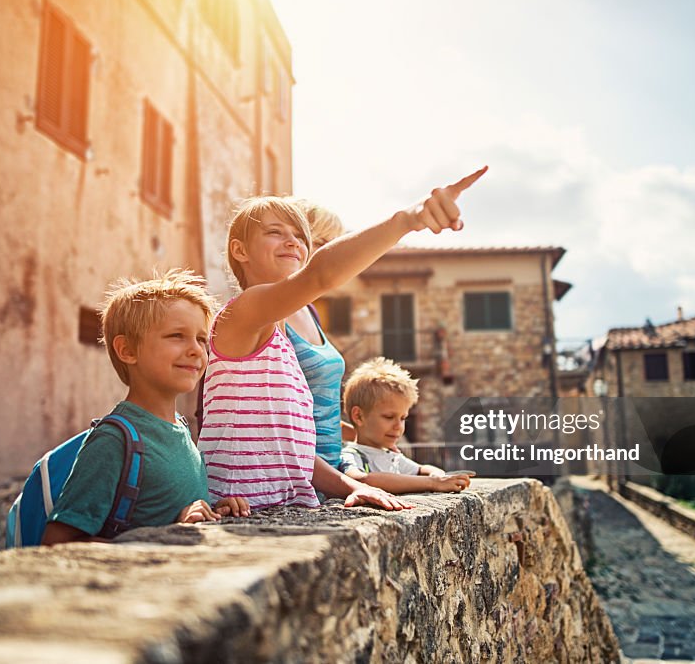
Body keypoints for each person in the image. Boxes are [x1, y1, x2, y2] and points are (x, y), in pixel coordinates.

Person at [198, 167, 486, 509]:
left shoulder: (280, 339)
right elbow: (321, 275)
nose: (293, 241)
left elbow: (295, 442)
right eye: (276, 232)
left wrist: (348, 483)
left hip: (294, 498)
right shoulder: (243, 310)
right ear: (240, 250)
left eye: (300, 236)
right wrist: (407, 219)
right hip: (244, 505)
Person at [42, 270, 249, 545]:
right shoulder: (114, 440)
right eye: (177, 335)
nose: (196, 350)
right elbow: (57, 543)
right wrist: (167, 534)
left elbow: (162, 509)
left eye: (201, 339)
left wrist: (215, 508)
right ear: (127, 350)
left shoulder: (181, 429)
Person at [284, 202, 353, 471]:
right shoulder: (268, 311)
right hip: (300, 476)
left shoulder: (310, 310)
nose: (330, 255)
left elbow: (314, 407)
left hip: (329, 472)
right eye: (321, 243)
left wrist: (364, 436)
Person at [341, 357, 473, 493]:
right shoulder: (351, 454)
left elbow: (421, 469)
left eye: (403, 418)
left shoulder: (391, 455)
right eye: (389, 417)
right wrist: (432, 483)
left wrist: (438, 475)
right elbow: (359, 480)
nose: (398, 426)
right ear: (358, 416)